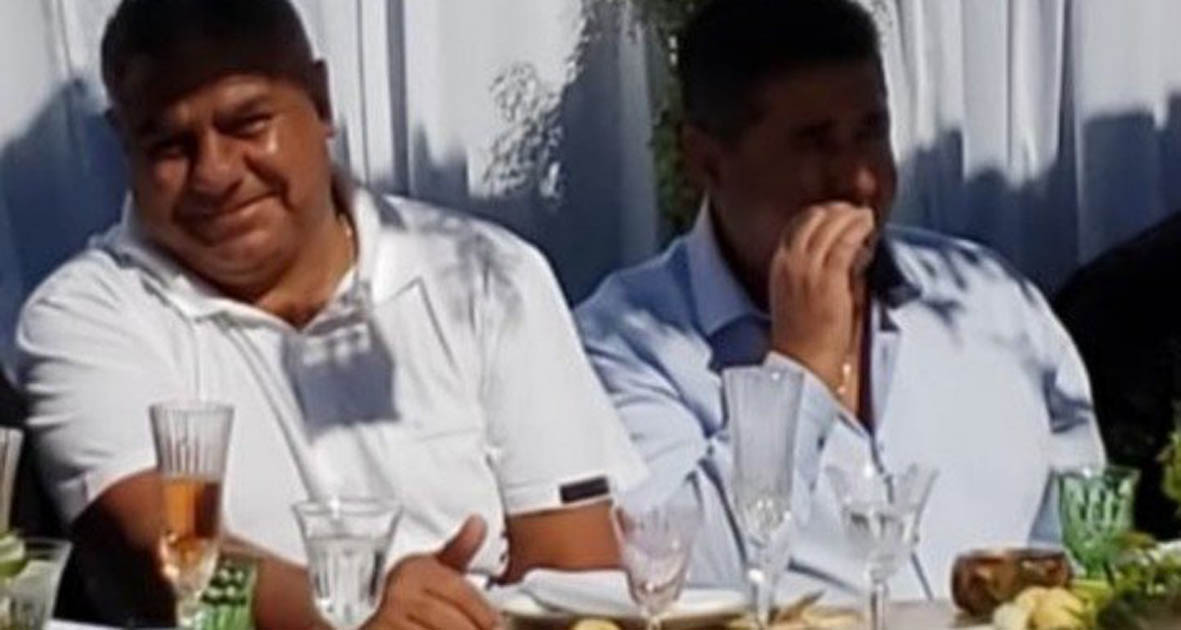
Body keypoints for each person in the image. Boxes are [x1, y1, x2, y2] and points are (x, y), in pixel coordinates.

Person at [15, 1, 644, 628]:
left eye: (247, 123)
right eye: (169, 145)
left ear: (321, 103)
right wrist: (352, 615)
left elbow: (575, 569)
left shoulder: (485, 277)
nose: (215, 173)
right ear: (123, 141)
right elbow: (161, 555)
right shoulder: (87, 317)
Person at [576, 0, 1104, 600]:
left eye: (871, 133)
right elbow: (666, 580)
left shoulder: (991, 303)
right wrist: (798, 374)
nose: (858, 180)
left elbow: (1082, 545)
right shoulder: (626, 345)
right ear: (706, 162)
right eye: (814, 143)